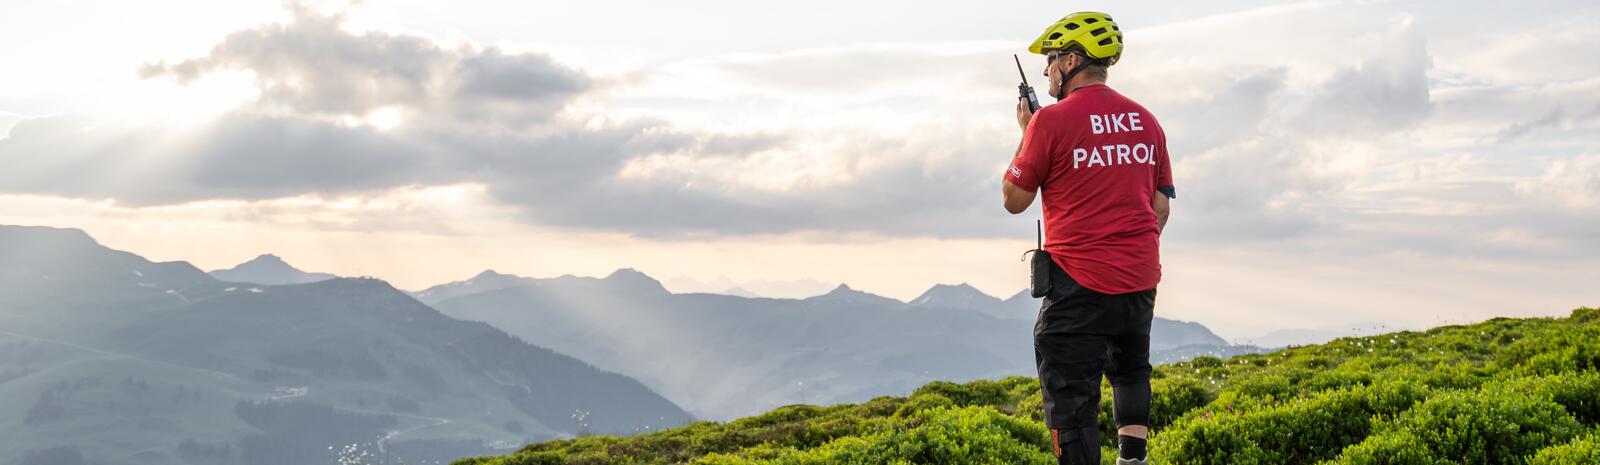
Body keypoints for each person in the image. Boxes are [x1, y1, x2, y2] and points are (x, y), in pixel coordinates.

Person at [1001, 11, 1175, 465]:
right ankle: (1132, 460)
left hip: (1079, 284)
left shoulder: (1050, 122)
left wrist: (1026, 135)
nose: (1046, 69)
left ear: (1073, 60)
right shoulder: (1146, 121)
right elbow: (1160, 208)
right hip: (1140, 280)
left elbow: (1014, 199)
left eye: (1052, 59)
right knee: (1130, 371)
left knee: (1071, 400)